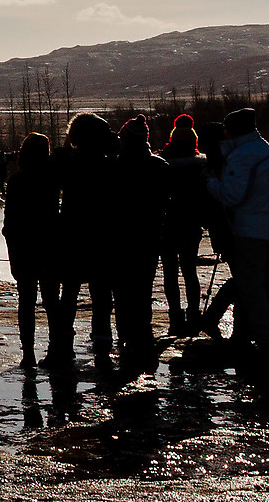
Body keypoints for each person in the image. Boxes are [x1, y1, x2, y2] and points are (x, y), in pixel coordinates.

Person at [206, 107, 269, 377]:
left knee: (253, 291)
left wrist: (211, 183)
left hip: (250, 230)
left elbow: (233, 196)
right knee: (268, 285)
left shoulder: (242, 156)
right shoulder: (265, 148)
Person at [49, 113, 115, 365]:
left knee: (70, 290)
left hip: (72, 233)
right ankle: (102, 337)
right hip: (102, 234)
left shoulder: (67, 164)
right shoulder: (110, 165)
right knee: (101, 290)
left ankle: (63, 338)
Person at [106, 116, 169, 365]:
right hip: (149, 235)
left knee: (121, 290)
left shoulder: (114, 167)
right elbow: (165, 201)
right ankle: (143, 335)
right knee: (143, 287)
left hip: (120, 235)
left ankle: (126, 338)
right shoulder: (160, 166)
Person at [0, 132, 62, 371]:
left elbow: (10, 221)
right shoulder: (53, 178)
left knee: (26, 301)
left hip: (24, 246)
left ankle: (28, 353)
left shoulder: (17, 181)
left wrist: (12, 248)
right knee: (51, 301)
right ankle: (55, 348)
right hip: (49, 245)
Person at [158, 116, 208, 337]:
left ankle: (175, 316)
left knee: (169, 272)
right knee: (190, 271)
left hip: (167, 223)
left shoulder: (161, 165)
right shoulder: (200, 167)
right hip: (191, 223)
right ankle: (194, 315)